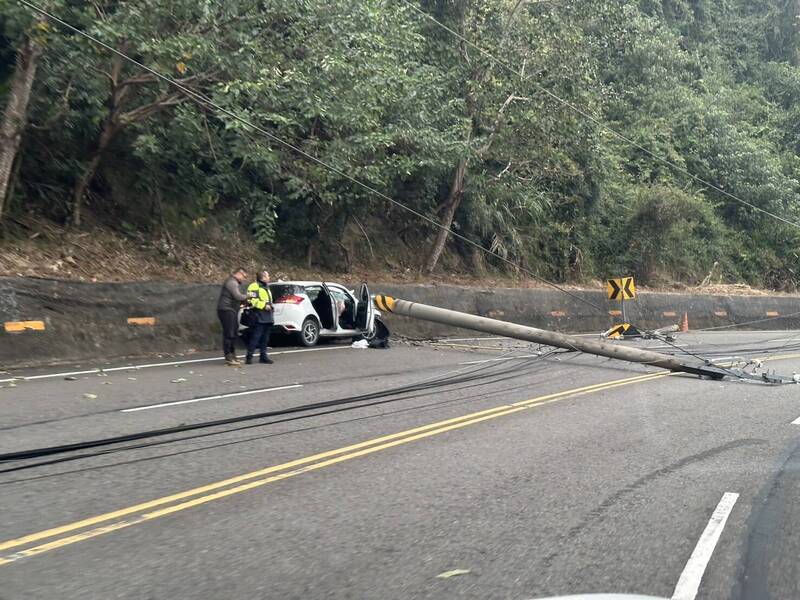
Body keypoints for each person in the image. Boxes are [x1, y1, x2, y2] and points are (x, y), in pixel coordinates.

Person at [217, 267, 251, 366]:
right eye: (244, 276)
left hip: (231, 310)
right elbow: (237, 296)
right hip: (226, 309)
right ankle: (228, 357)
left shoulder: (234, 282)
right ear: (239, 274)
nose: (244, 279)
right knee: (229, 333)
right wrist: (248, 296)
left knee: (234, 333)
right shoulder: (232, 282)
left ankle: (233, 355)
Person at [245, 270, 274, 365]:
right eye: (268, 275)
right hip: (258, 315)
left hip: (267, 316)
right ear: (263, 277)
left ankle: (263, 356)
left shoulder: (266, 286)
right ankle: (249, 357)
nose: (269, 277)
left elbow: (268, 300)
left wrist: (270, 306)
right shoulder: (254, 286)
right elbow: (251, 300)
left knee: (265, 338)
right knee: (256, 337)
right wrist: (263, 306)